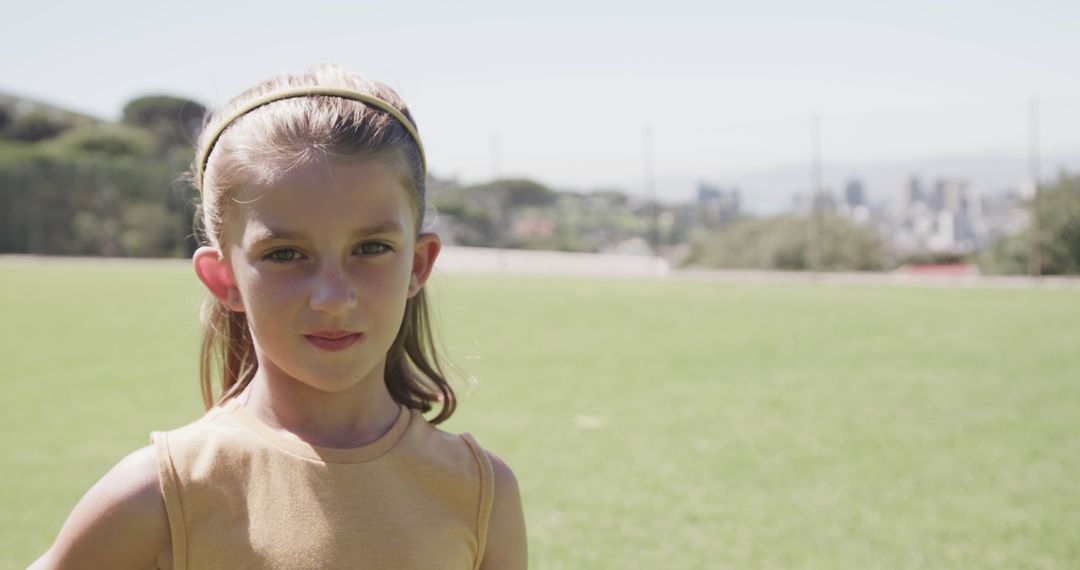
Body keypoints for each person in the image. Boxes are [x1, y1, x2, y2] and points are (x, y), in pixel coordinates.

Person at [30, 65, 527, 569]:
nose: (333, 297)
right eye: (286, 254)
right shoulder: (160, 492)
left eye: (371, 247)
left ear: (418, 264)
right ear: (224, 280)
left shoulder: (480, 492)